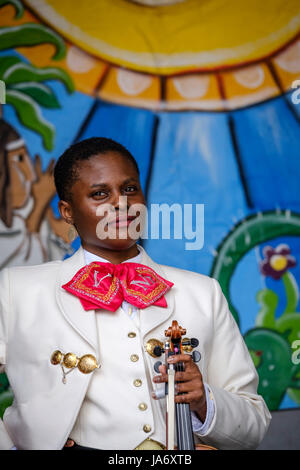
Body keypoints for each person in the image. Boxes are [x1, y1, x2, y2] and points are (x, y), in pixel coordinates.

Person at [0, 137, 271, 450]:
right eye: (99, 193)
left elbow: (255, 423)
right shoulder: (16, 290)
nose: (121, 203)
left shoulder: (202, 292)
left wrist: (205, 402)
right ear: (67, 211)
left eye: (129, 189)